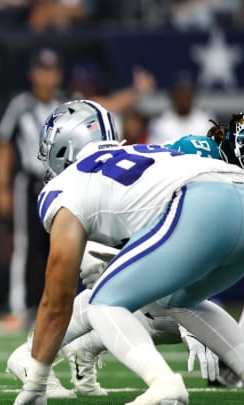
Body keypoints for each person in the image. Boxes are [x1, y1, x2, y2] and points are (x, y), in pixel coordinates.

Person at [14, 99, 244, 405]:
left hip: (201, 203)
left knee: (103, 303)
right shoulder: (140, 152)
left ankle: (164, 384)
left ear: (63, 145)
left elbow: (57, 298)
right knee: (178, 300)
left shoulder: (65, 185)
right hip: (234, 188)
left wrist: (37, 381)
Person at [0, 47, 65, 332]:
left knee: (59, 246)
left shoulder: (67, 105)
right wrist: (1, 187)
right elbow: (4, 145)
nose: (47, 76)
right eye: (42, 70)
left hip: (61, 183)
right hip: (30, 183)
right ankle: (20, 308)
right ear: (32, 73)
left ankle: (57, 305)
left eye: (52, 70)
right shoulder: (21, 105)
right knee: (26, 245)